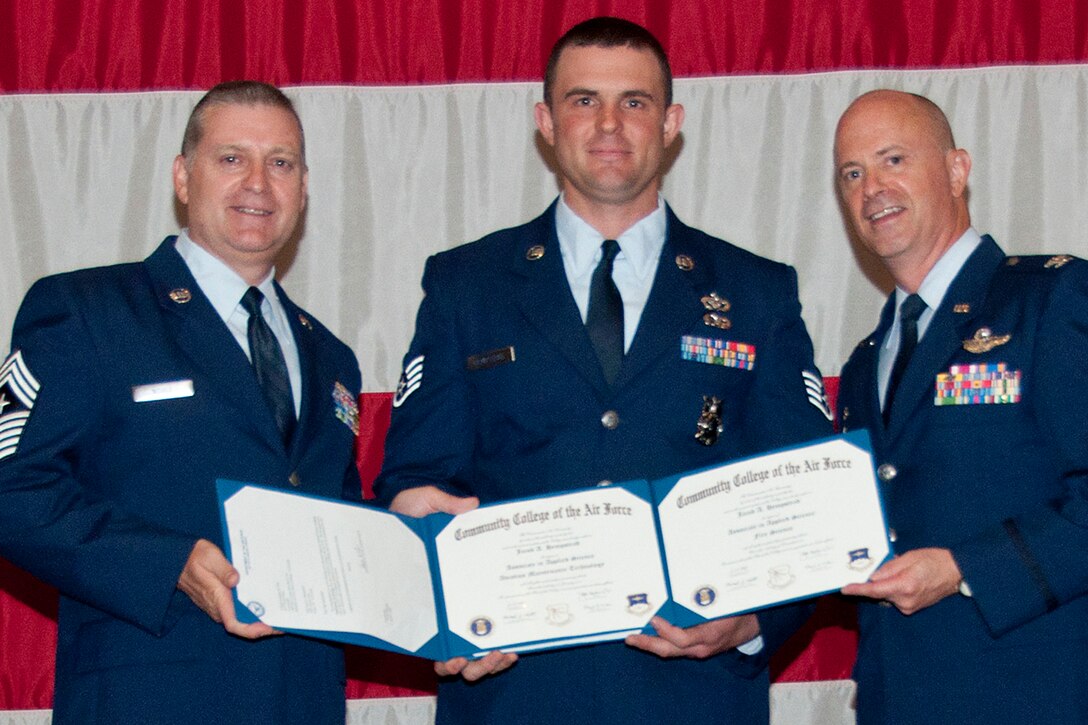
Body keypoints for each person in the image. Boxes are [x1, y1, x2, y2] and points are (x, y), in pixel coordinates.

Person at [376, 17, 833, 725]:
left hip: (694, 694)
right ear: (546, 122)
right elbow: (416, 479)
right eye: (584, 100)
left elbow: (807, 493)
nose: (609, 123)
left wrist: (753, 622)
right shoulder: (468, 286)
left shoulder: (754, 292)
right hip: (515, 693)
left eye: (636, 102)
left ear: (671, 122)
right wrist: (434, 586)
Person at [0, 81, 363, 724]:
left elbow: (346, 530)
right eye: (231, 158)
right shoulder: (87, 313)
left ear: (303, 188)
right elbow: (11, 488)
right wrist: (171, 563)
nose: (258, 182)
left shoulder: (331, 357)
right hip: (149, 701)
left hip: (301, 700)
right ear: (182, 177)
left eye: (280, 162)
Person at [834, 89, 1088, 723]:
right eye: (853, 173)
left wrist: (962, 569)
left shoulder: (1051, 301)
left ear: (956, 169)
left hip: (1031, 696)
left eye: (894, 159)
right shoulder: (868, 360)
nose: (873, 188)